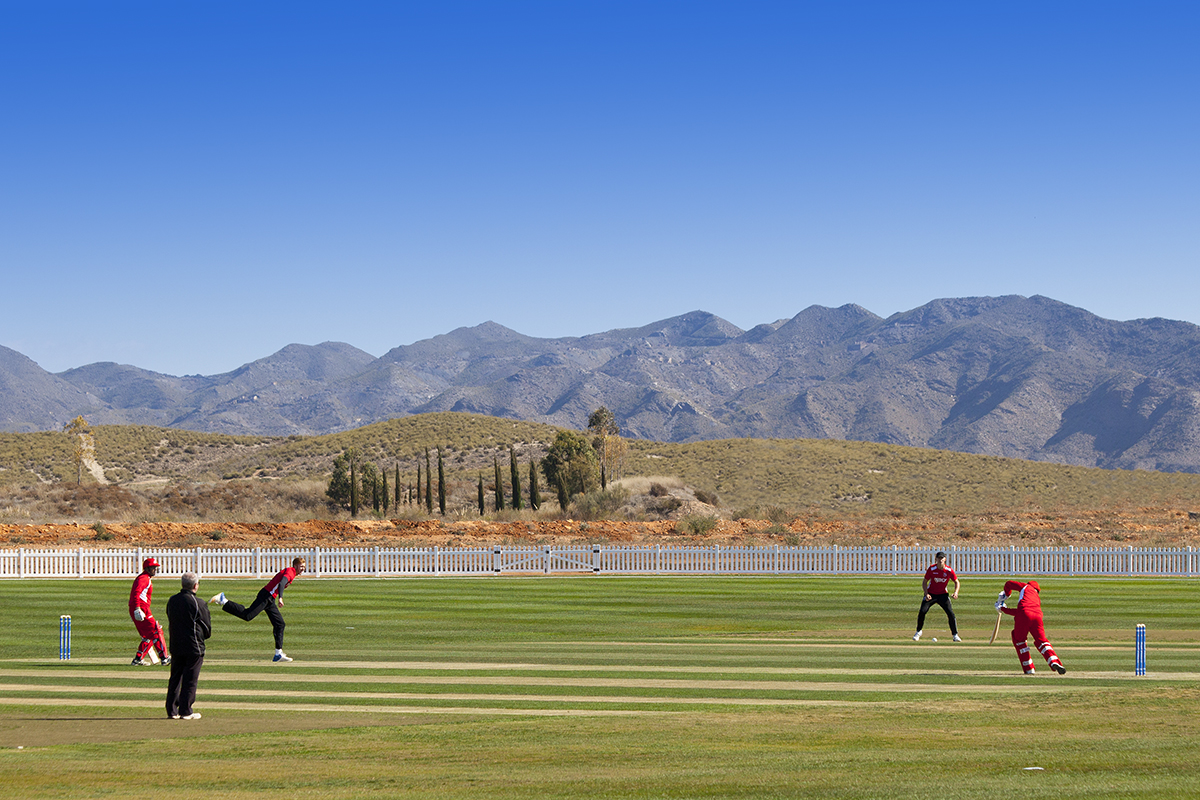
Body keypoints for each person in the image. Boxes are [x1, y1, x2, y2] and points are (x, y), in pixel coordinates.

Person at [209, 557, 306, 662]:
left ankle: (278, 654)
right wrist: (281, 597)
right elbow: (282, 583)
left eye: (304, 567)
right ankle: (224, 600)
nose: (302, 569)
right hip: (266, 596)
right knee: (247, 615)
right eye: (301, 566)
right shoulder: (291, 571)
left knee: (280, 624)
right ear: (295, 565)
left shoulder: (291, 572)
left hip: (270, 599)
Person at [165, 571, 211, 720]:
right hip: (194, 646)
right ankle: (186, 710)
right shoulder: (198, 603)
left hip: (176, 644)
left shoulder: (172, 600)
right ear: (195, 585)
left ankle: (172, 710)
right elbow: (206, 627)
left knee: (175, 678)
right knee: (190, 678)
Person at [997, 579, 1066, 675]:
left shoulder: (1025, 586)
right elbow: (1022, 611)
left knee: (1019, 640)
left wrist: (1005, 596)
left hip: (1024, 614)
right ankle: (1054, 661)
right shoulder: (1036, 597)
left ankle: (1029, 669)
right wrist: (1004, 609)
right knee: (1042, 641)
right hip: (1038, 616)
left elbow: (1008, 584)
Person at [129, 557, 170, 666]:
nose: (155, 570)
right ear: (147, 568)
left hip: (139, 608)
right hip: (142, 609)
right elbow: (136, 593)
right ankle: (164, 658)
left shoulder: (144, 578)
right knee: (156, 631)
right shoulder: (144, 579)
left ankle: (138, 659)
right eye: (153, 568)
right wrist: (137, 608)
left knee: (148, 635)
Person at [913, 551, 961, 642]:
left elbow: (956, 582)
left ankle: (955, 635)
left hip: (943, 595)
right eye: (939, 558)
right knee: (922, 611)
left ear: (945, 559)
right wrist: (926, 593)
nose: (940, 560)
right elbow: (925, 581)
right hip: (931, 594)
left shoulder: (948, 570)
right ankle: (918, 632)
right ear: (936, 559)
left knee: (950, 613)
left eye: (942, 558)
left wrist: (956, 592)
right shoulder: (932, 569)